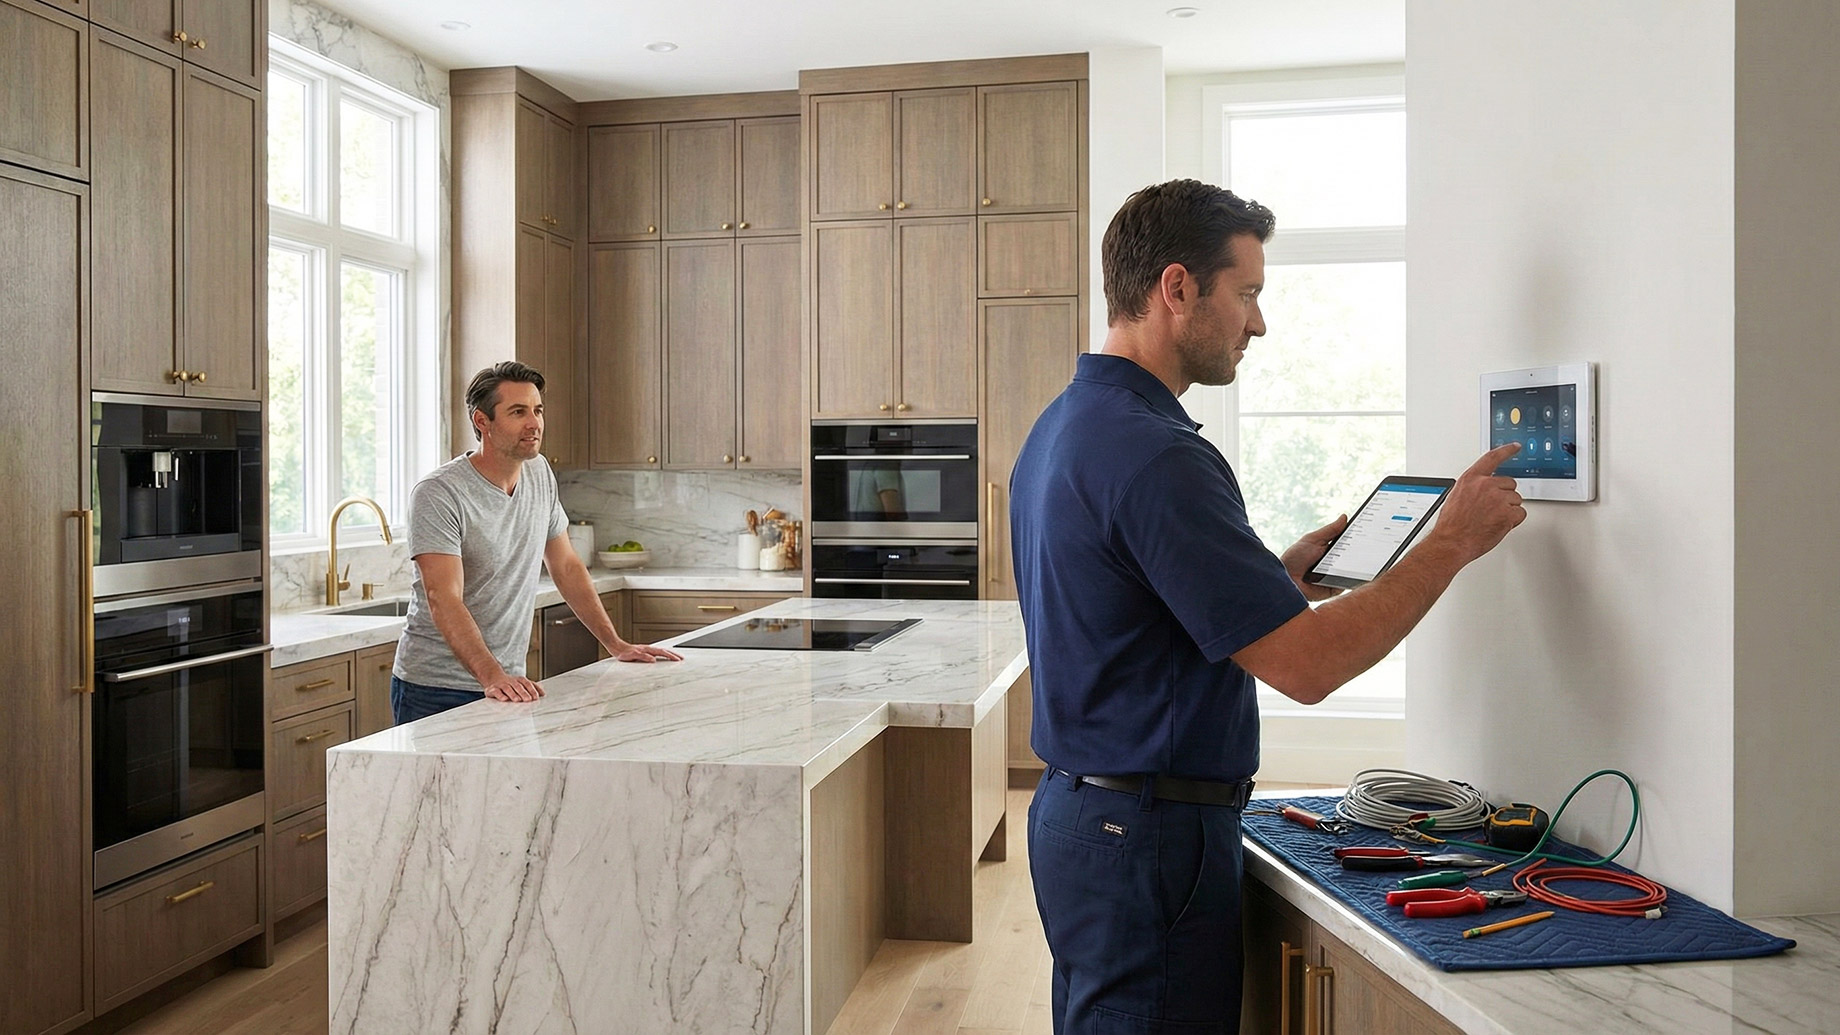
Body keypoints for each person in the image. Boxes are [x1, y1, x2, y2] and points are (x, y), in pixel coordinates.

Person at [1008, 179, 1526, 1033]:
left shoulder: (1065, 424)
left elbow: (1125, 612)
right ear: (1177, 289)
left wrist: (1275, 581)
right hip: (1147, 835)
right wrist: (1450, 543)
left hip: (1079, 815)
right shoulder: (1159, 454)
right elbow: (1309, 667)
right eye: (1245, 293)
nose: (1257, 322)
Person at [390, 361, 681, 724]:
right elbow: (442, 598)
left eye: (537, 410)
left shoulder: (539, 471)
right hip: (436, 688)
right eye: (517, 412)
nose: (534, 423)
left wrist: (615, 644)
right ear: (482, 422)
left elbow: (566, 566)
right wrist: (490, 675)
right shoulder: (439, 494)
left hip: (509, 682)